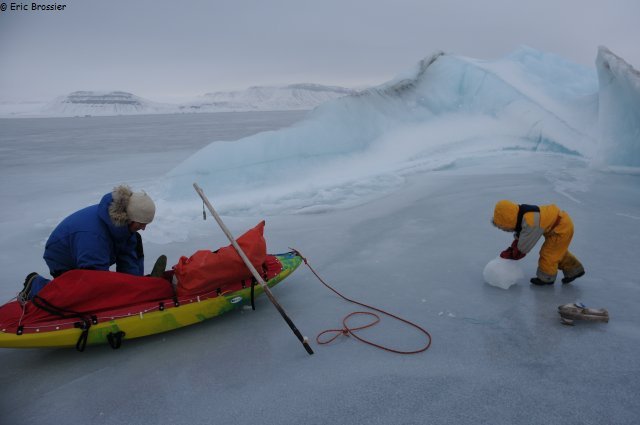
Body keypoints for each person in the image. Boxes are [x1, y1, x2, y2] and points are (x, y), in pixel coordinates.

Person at [19, 185, 164, 302]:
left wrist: (136, 290)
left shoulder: (124, 226)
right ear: (130, 218)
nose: (144, 228)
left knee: (134, 242)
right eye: (141, 224)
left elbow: (128, 259)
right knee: (86, 295)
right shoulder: (94, 237)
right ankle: (36, 285)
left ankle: (137, 289)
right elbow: (96, 278)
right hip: (62, 257)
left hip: (91, 247)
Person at [492, 200, 585, 286]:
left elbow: (524, 247)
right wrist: (514, 246)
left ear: (509, 222)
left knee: (549, 254)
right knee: (557, 252)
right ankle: (574, 270)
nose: (507, 230)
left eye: (505, 228)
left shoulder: (531, 222)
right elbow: (522, 234)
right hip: (560, 224)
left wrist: (512, 254)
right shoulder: (521, 213)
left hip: (561, 229)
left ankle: (547, 278)